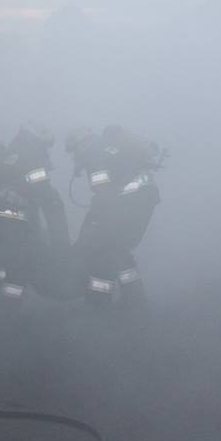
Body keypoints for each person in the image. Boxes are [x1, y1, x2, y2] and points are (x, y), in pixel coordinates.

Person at [0, 121, 70, 304]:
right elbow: (47, 197)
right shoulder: (33, 157)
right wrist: (61, 242)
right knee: (20, 268)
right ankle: (6, 308)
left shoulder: (11, 153)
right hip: (12, 226)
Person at [66, 124, 163, 309]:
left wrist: (94, 222)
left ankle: (98, 305)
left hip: (130, 202)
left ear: (79, 145)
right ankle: (134, 302)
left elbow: (104, 192)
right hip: (143, 198)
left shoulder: (93, 153)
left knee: (103, 249)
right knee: (116, 249)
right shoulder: (106, 147)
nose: (74, 158)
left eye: (73, 152)